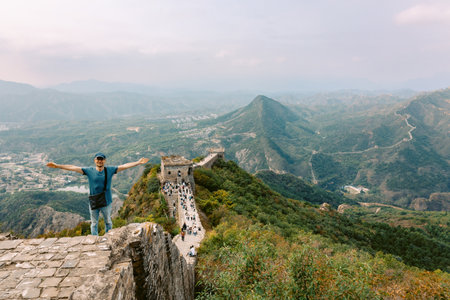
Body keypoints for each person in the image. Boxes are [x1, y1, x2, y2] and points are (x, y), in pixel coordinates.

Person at [46, 152, 149, 236]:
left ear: (104, 161)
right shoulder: (89, 171)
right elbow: (73, 167)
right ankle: (95, 240)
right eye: (98, 159)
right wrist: (57, 166)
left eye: (102, 159)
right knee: (94, 223)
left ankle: (108, 237)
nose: (100, 161)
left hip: (106, 201)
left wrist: (138, 162)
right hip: (94, 201)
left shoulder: (110, 170)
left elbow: (124, 166)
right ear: (95, 160)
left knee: (108, 221)